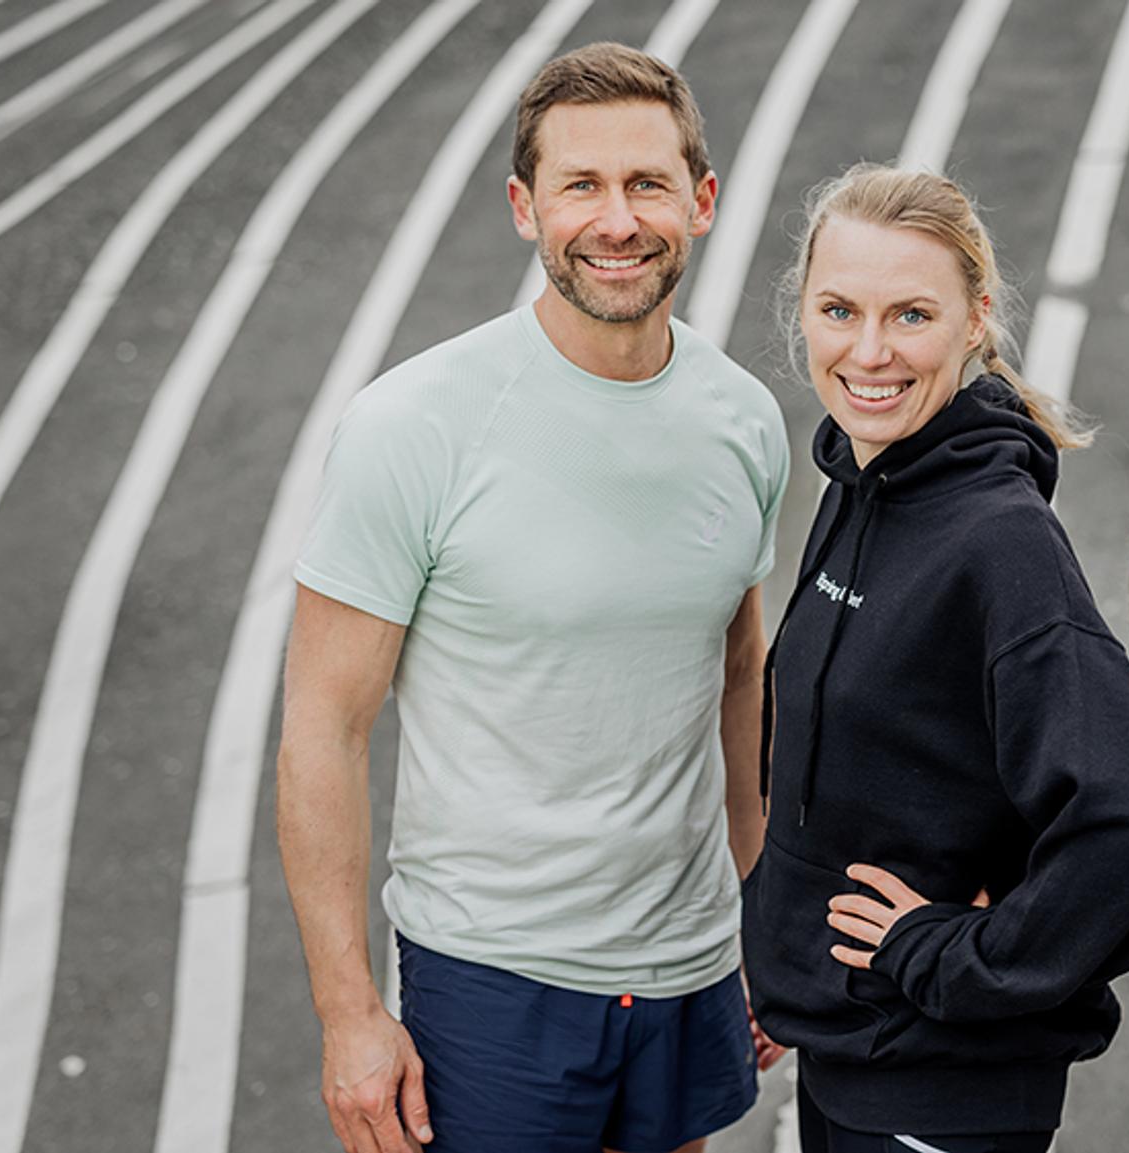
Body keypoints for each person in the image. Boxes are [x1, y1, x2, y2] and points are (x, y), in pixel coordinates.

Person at [276, 42, 789, 1153]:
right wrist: (348, 1013)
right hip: (492, 973)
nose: (618, 220)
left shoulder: (744, 419)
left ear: (700, 202)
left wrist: (756, 907)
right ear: (525, 207)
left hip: (690, 956)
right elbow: (325, 725)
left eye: (647, 183)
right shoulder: (411, 427)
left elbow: (740, 666)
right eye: (581, 186)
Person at [742, 163, 1129, 1153]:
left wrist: (952, 954)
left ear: (973, 319)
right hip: (854, 1053)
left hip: (942, 1088)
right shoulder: (861, 479)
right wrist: (779, 952)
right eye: (837, 309)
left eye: (909, 315)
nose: (868, 350)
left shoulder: (999, 543)